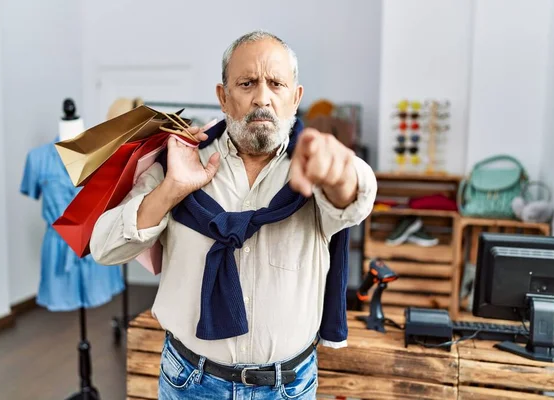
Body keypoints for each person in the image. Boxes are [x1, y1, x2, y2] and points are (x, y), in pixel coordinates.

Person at [90, 30, 377, 400]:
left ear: (296, 97)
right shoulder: (179, 160)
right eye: (247, 84)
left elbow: (354, 199)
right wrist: (172, 190)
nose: (263, 98)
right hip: (188, 381)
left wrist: (340, 173)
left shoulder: (315, 170)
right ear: (223, 98)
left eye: (277, 84)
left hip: (288, 387)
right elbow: (104, 247)